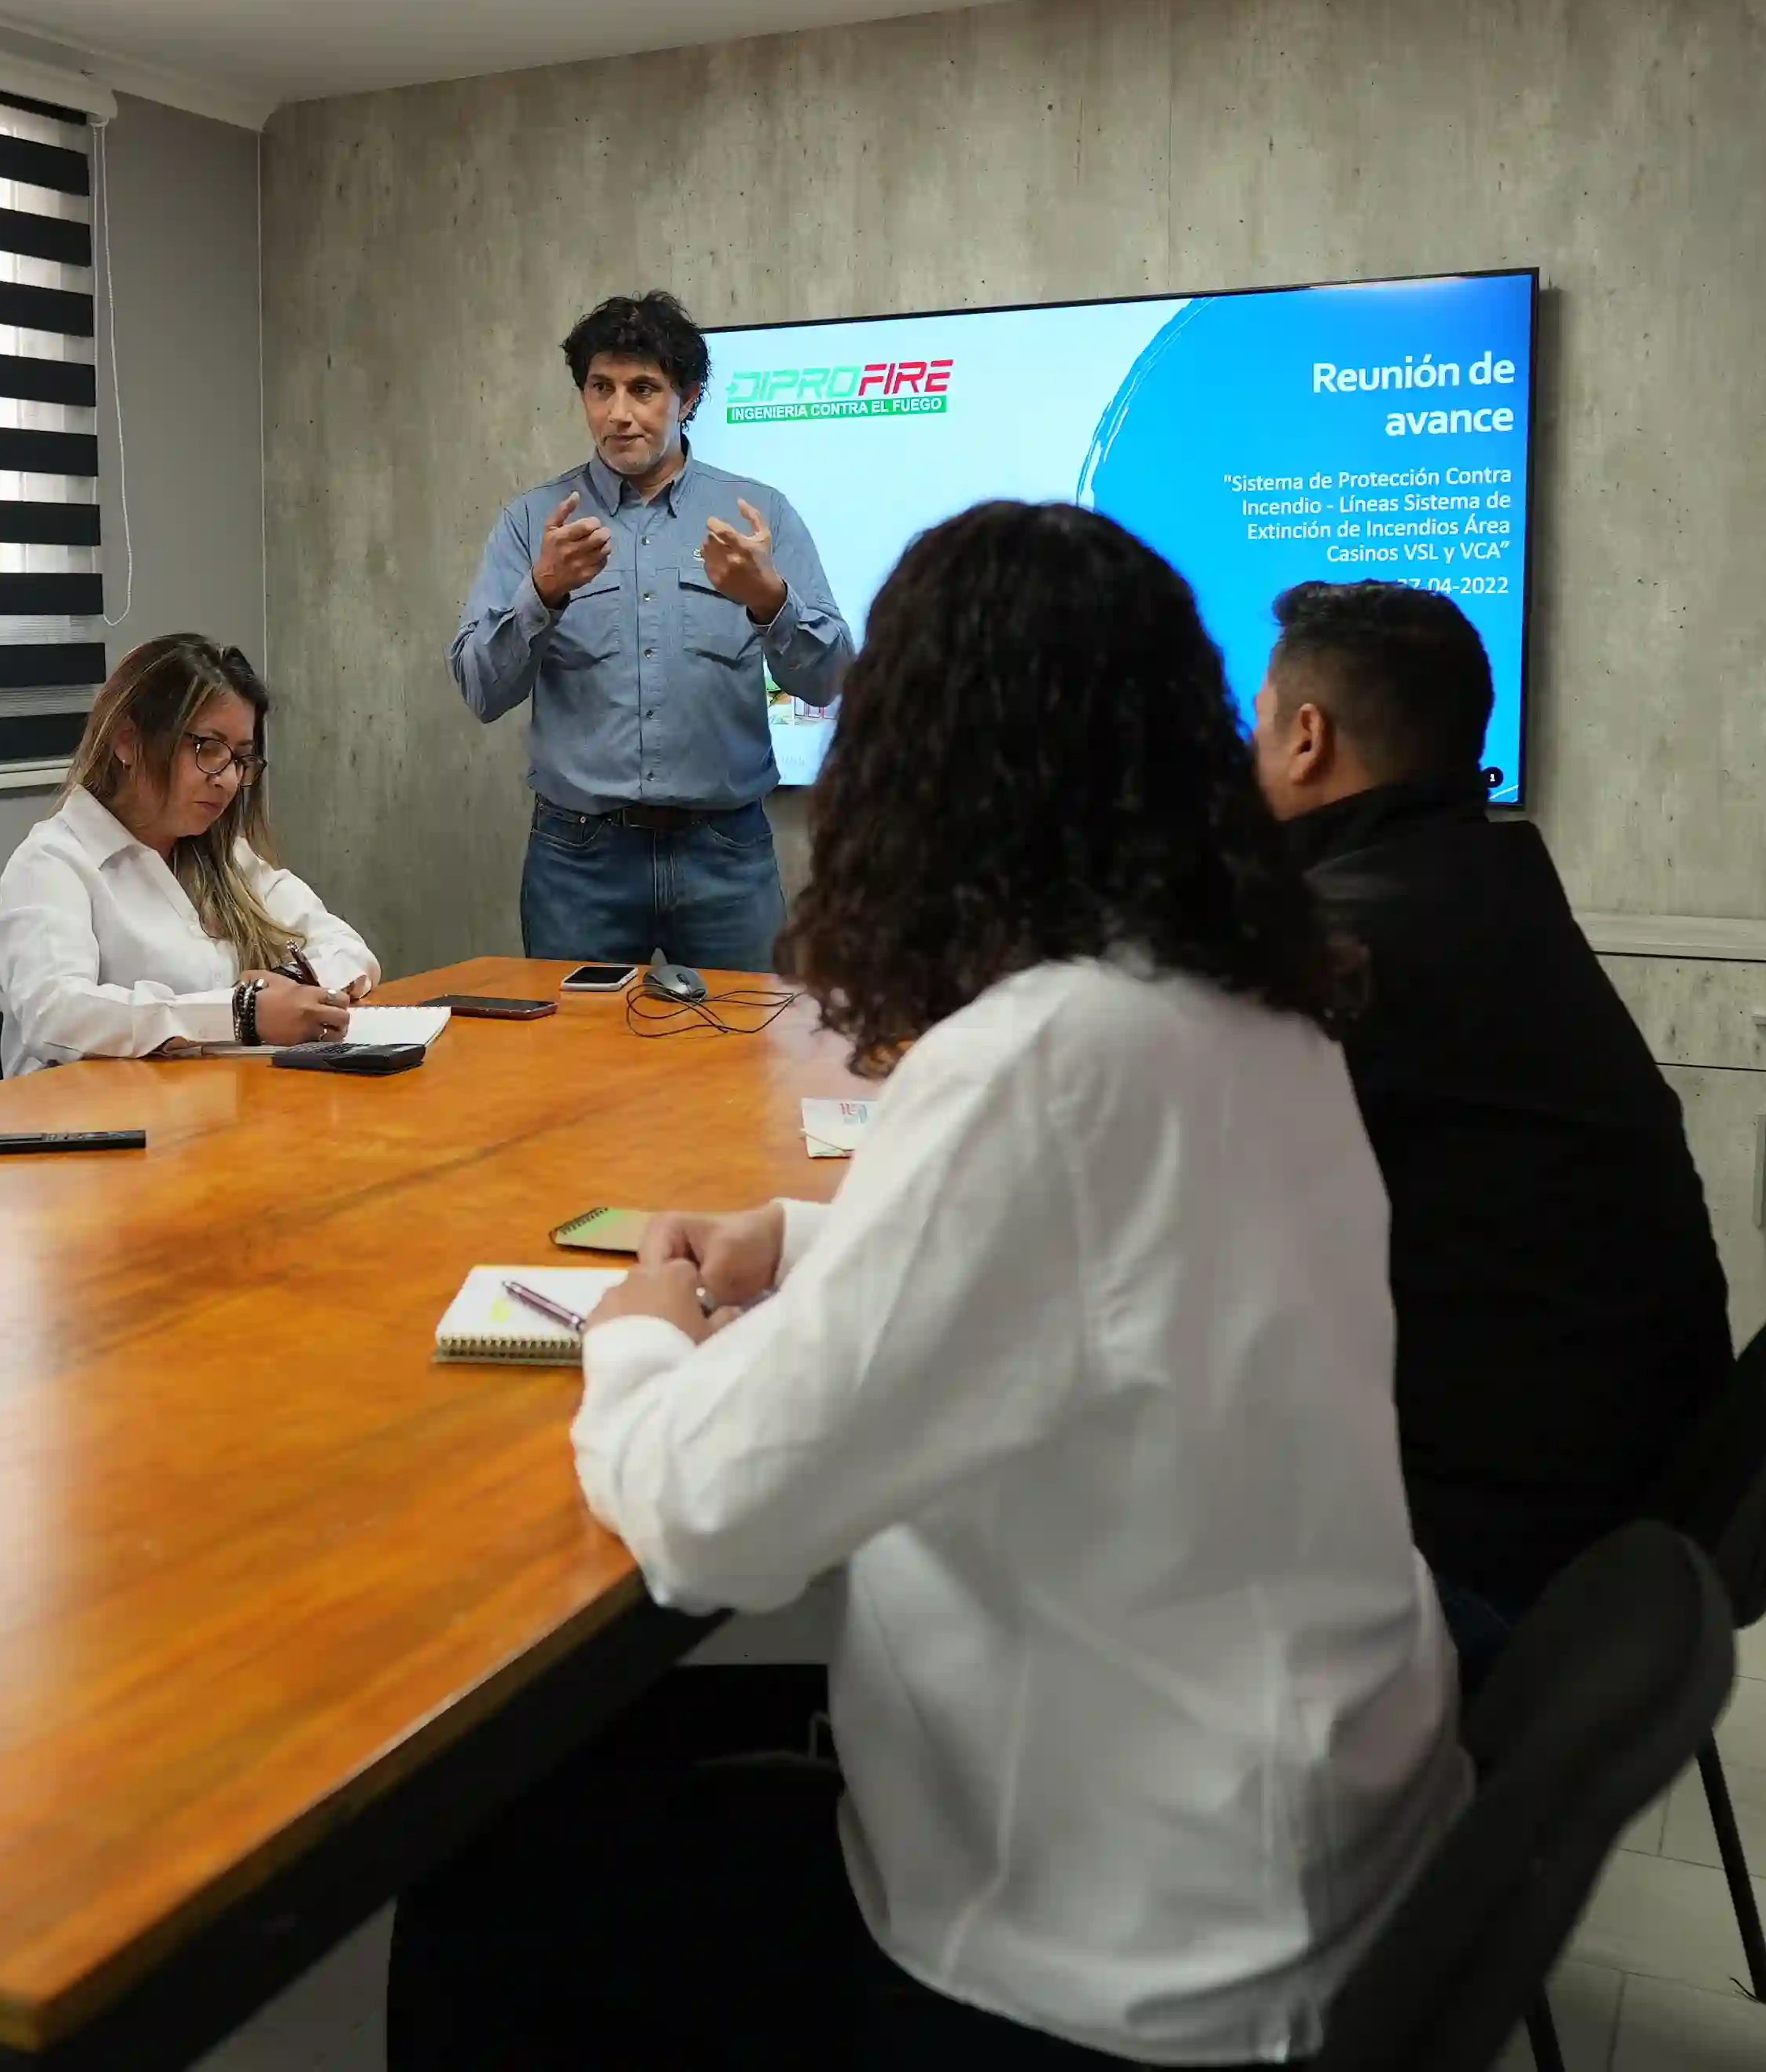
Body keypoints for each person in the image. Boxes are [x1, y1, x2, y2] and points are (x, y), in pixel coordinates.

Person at [392, 505, 1462, 2071]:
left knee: (488, 1887)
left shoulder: (1042, 1059)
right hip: (1317, 1863)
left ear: (925, 767)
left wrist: (635, 1342)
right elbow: (1105, 1288)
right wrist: (807, 1241)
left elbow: (709, 1521)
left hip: (1120, 1961)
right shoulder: (1246, 1016)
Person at [1251, 579, 1731, 1675]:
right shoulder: (1478, 882)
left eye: (1258, 721)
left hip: (1499, 1549)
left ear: (1308, 739)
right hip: (1616, 1497)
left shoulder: (1352, 946)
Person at [450, 289, 852, 971]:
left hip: (726, 852)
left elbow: (830, 676)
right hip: (579, 859)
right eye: (600, 388)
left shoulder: (759, 514)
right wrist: (542, 591)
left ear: (688, 398)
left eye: (644, 389)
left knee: (745, 1065)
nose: (619, 413)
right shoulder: (535, 521)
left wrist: (769, 600)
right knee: (580, 1068)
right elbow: (480, 689)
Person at [0, 632, 377, 1072]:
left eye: (240, 759)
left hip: (214, 1109)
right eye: (207, 749)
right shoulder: (53, 863)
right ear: (127, 742)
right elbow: (56, 1014)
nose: (229, 780)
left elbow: (348, 948)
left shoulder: (227, 857)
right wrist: (240, 1013)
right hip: (92, 1126)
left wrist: (291, 990)